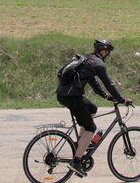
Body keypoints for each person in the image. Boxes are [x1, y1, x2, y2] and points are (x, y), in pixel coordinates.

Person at [56, 39, 131, 177]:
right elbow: (108, 84)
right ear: (103, 51)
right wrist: (121, 99)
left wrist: (105, 96)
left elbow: (93, 82)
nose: (108, 55)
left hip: (64, 94)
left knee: (92, 108)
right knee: (91, 127)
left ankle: (80, 143)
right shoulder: (98, 64)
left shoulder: (88, 60)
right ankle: (76, 162)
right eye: (108, 52)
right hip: (72, 97)